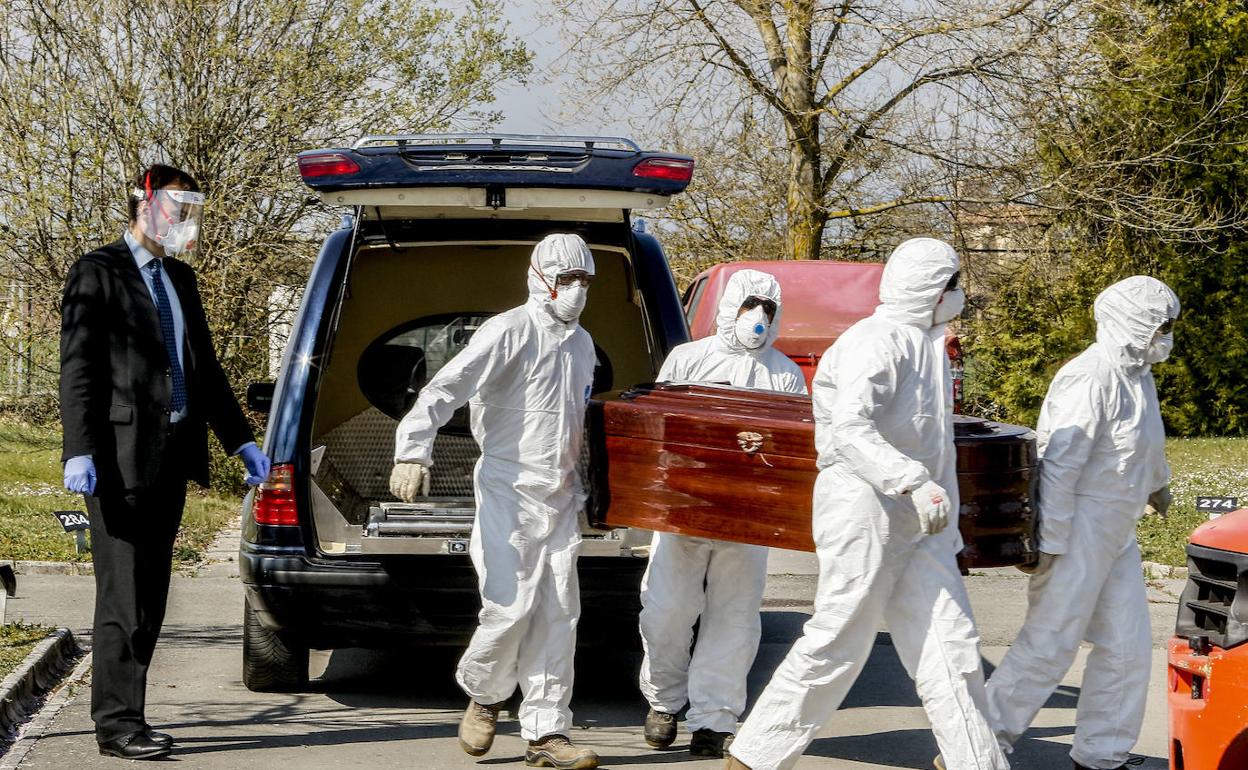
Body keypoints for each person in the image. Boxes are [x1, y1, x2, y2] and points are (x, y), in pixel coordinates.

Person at [725, 238, 1008, 770]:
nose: (959, 295)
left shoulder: (926, 346)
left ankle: (977, 761)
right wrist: (911, 481)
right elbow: (852, 429)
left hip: (918, 515)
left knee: (951, 643)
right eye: (952, 284)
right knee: (841, 637)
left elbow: (930, 439)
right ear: (929, 289)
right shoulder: (874, 343)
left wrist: (937, 509)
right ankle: (755, 755)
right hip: (865, 506)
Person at [60, 164, 271, 760]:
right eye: (176, 208)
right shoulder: (98, 271)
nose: (184, 221)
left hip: (171, 456)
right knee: (122, 596)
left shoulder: (180, 278)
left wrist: (240, 440)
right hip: (117, 459)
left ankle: (132, 715)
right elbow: (79, 369)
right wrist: (79, 448)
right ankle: (117, 725)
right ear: (145, 205)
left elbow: (203, 369)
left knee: (151, 594)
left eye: (190, 210)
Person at [390, 233, 600, 770]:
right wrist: (413, 451)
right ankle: (485, 695)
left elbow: (577, 423)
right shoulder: (508, 331)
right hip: (508, 488)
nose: (576, 289)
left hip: (560, 495)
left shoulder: (583, 345)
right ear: (541, 278)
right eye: (567, 278)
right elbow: (445, 388)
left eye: (584, 279)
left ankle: (547, 733)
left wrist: (590, 489)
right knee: (508, 606)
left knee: (558, 613)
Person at [984, 276, 1179, 770]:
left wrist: (1156, 484)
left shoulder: (1138, 375)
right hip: (1078, 528)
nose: (1167, 336)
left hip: (1116, 531)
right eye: (1160, 326)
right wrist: (1048, 540)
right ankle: (978, 745)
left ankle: (1101, 755)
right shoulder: (1090, 376)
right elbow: (1060, 465)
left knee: (1127, 647)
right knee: (1050, 642)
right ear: (1133, 323)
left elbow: (1144, 438)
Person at [639, 269, 807, 758]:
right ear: (730, 308)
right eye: (750, 307)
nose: (758, 319)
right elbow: (662, 425)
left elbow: (792, 441)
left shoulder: (784, 374)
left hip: (747, 514)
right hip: (685, 506)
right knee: (668, 610)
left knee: (733, 618)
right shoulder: (688, 359)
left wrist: (765, 448)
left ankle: (714, 719)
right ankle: (664, 700)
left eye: (767, 311)